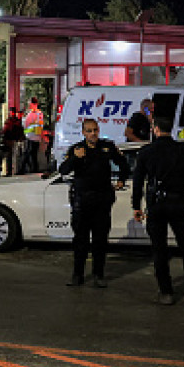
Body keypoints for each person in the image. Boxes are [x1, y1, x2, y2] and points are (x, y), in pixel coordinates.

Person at [131, 115, 184, 306]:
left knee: (159, 250)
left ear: (155, 129)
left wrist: (136, 206)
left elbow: (138, 182)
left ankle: (166, 293)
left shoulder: (146, 151)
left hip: (157, 205)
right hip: (179, 204)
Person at [58, 119, 129, 287]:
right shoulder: (77, 149)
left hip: (102, 200)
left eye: (95, 130)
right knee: (80, 240)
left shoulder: (107, 147)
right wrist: (75, 158)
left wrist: (121, 179)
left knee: (100, 240)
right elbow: (63, 170)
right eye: (89, 131)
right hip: (82, 201)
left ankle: (98, 275)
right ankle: (77, 275)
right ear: (83, 133)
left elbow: (124, 164)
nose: (93, 134)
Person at [22, 98, 45, 174]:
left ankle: (26, 168)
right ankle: (33, 168)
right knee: (32, 154)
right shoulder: (32, 113)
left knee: (29, 153)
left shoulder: (37, 113)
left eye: (30, 104)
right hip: (32, 136)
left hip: (33, 136)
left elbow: (35, 125)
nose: (29, 105)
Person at [1, 108, 25, 176]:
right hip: (10, 140)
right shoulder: (12, 121)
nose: (11, 113)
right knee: (11, 157)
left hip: (13, 140)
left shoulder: (13, 121)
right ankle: (11, 171)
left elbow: (5, 130)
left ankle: (12, 171)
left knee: (14, 156)